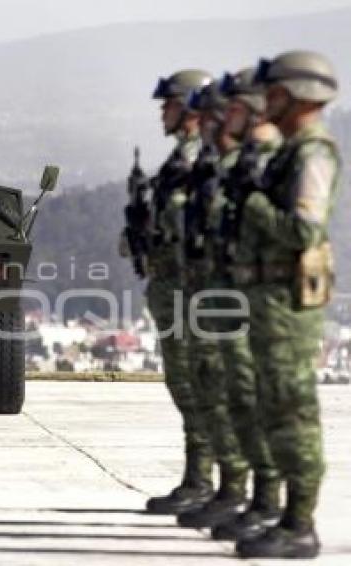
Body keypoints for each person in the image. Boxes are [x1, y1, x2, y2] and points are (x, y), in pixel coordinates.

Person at [233, 50, 340, 560]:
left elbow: (303, 228)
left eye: (273, 92)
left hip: (287, 306)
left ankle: (300, 523)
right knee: (272, 406)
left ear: (297, 95)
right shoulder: (289, 151)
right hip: (268, 300)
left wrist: (251, 202)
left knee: (291, 410)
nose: (264, 102)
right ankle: (285, 517)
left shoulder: (313, 153)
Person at [210, 66, 284, 543]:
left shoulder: (282, 160)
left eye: (233, 107)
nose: (222, 117)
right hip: (227, 290)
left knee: (269, 403)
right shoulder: (232, 163)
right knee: (224, 395)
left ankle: (282, 513)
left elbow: (295, 228)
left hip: (266, 299)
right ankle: (238, 493)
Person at [176, 79, 251, 530]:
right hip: (202, 285)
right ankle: (209, 483)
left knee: (241, 395)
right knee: (200, 386)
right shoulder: (204, 163)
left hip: (238, 291)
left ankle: (255, 501)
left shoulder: (247, 165)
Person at [142, 69, 216, 515]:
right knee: (185, 384)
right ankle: (199, 479)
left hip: (193, 289)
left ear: (189, 108)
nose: (162, 113)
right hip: (174, 286)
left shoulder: (200, 159)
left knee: (198, 386)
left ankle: (208, 483)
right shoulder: (182, 160)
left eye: (168, 104)